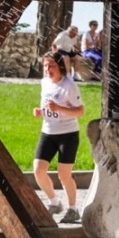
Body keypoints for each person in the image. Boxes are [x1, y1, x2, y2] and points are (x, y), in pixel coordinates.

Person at [32, 52, 84, 224]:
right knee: (38, 170)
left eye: (51, 66)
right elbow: (48, 106)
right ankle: (55, 202)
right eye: (45, 66)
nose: (48, 70)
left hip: (67, 134)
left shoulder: (69, 85)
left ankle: (73, 209)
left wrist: (59, 108)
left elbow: (80, 111)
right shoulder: (45, 82)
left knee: (64, 174)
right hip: (48, 131)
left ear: (60, 66)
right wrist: (41, 111)